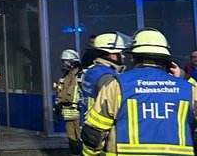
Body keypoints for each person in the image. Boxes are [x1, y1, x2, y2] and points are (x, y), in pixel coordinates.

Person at [81, 28, 197, 156]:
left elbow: (93, 134)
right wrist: (184, 77)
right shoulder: (187, 88)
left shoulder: (116, 85)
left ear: (134, 57)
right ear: (167, 60)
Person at [81, 32, 126, 118]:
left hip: (90, 122)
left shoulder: (92, 70)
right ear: (112, 55)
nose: (123, 56)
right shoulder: (108, 76)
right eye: (121, 53)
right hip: (104, 127)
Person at [54, 49, 83, 155]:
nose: (65, 64)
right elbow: (60, 92)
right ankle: (74, 152)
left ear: (74, 62)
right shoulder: (63, 77)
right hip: (67, 109)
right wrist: (57, 106)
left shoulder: (80, 76)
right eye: (64, 62)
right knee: (71, 135)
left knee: (80, 133)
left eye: (67, 61)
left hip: (79, 110)